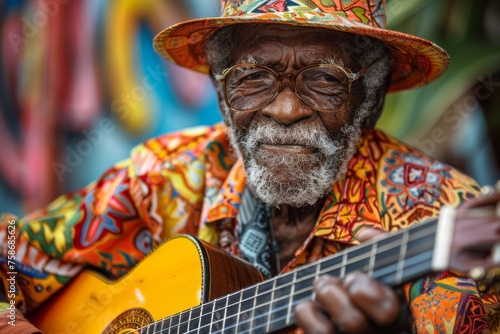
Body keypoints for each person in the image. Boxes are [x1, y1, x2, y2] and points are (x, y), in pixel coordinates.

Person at [1, 0, 499, 333]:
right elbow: (7, 249)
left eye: (324, 79)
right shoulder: (166, 175)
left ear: (369, 97)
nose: (285, 111)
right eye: (253, 78)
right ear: (220, 92)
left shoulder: (440, 219)